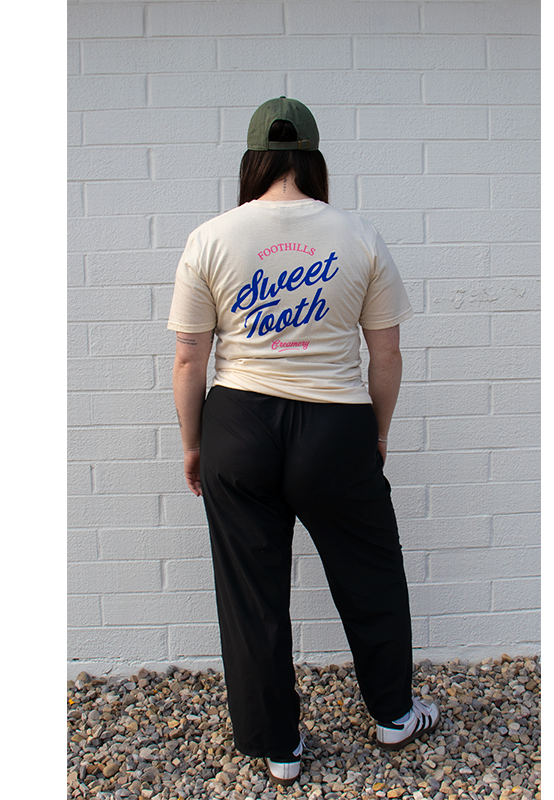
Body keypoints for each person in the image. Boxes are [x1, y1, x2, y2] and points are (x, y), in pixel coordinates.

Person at [167, 97, 439, 786]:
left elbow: (190, 359)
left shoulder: (210, 238)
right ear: (313, 160)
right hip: (335, 425)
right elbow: (386, 354)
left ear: (253, 160)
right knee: (371, 573)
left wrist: (194, 443)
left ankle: (279, 746)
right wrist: (378, 432)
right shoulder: (360, 236)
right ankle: (393, 714)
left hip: (238, 424)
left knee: (252, 591)